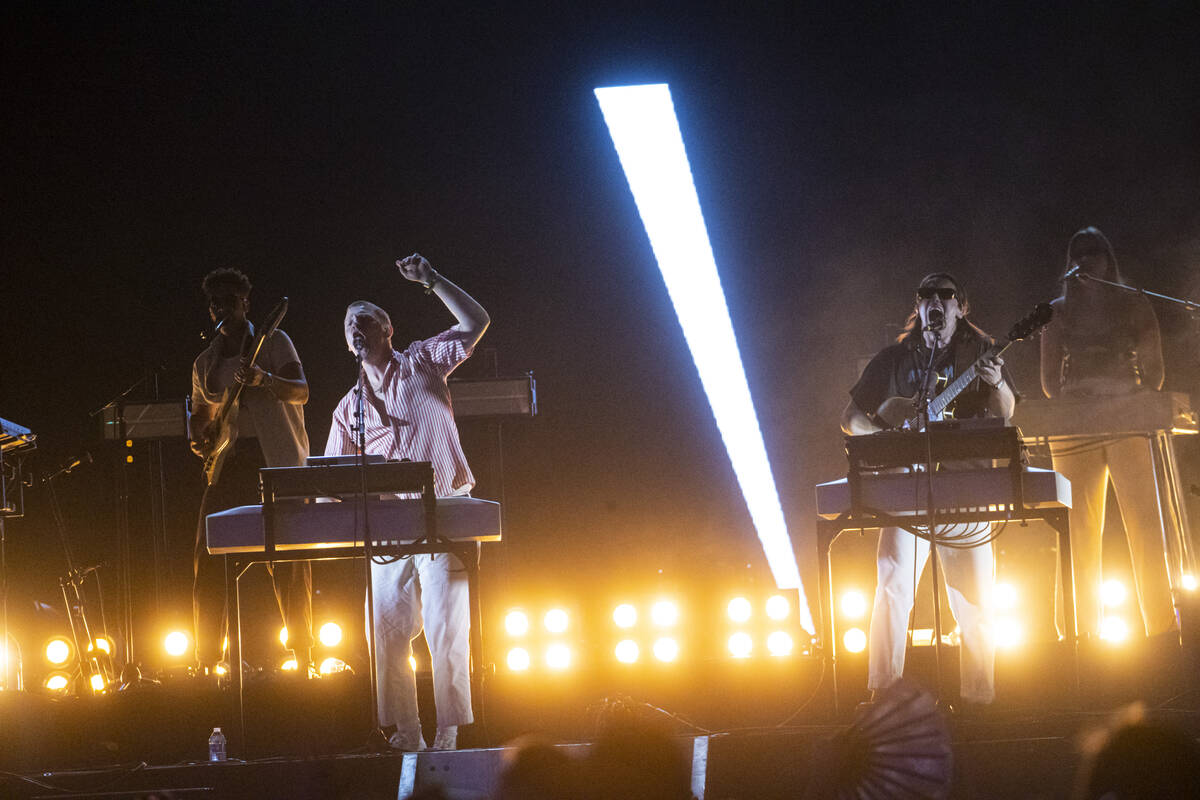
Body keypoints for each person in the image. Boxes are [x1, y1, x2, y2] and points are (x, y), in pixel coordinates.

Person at [323, 253, 489, 751]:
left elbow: (475, 323)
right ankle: (408, 733)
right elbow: (331, 476)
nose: (357, 327)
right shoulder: (347, 406)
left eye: (366, 320)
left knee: (445, 625)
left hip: (444, 507)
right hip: (388, 525)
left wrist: (432, 279)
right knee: (387, 631)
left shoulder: (421, 359)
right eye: (350, 323)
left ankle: (448, 734)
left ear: (388, 329)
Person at [841, 272, 1015, 706]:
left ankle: (979, 699)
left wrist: (994, 383)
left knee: (974, 595)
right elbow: (851, 419)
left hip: (966, 484)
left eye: (946, 295)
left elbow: (1006, 413)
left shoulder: (981, 351)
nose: (936, 301)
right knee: (893, 582)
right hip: (907, 485)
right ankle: (883, 693)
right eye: (927, 296)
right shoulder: (893, 359)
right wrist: (887, 440)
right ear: (917, 306)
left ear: (961, 306)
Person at [1039, 227, 1175, 639]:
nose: (1085, 261)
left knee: (1145, 523)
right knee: (1076, 527)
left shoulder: (1134, 304)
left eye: (1093, 253)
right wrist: (1083, 400)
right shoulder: (1056, 312)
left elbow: (1156, 373)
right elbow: (1047, 382)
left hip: (1125, 418)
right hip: (1077, 422)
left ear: (1108, 260)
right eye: (1078, 254)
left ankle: (1165, 633)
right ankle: (1078, 636)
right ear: (1070, 262)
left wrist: (1130, 399)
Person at [188, 268, 314, 676]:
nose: (222, 308)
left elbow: (301, 390)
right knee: (207, 554)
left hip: (275, 463)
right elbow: (199, 416)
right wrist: (200, 436)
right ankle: (207, 661)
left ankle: (304, 657)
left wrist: (263, 378)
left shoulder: (273, 342)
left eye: (230, 300)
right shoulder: (205, 362)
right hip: (229, 465)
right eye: (215, 302)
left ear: (246, 303)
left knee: (289, 561)